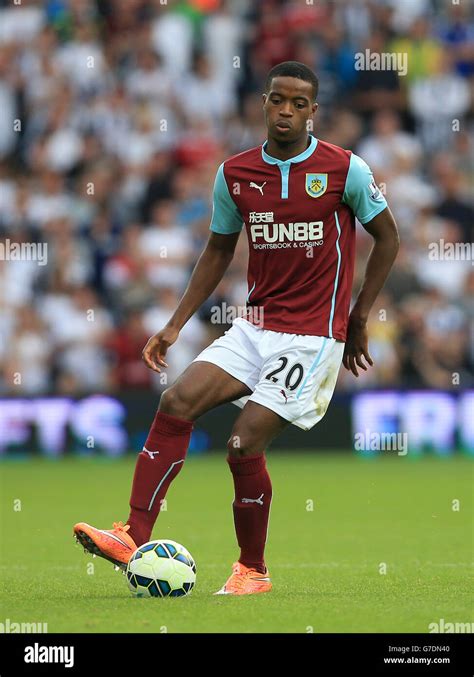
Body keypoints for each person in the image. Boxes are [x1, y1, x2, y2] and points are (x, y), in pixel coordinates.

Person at [74, 61, 400, 595]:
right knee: (176, 401)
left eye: (299, 103)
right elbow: (218, 249)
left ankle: (253, 569)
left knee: (242, 444)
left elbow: (388, 238)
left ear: (313, 111)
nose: (286, 111)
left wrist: (359, 317)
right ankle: (131, 534)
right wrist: (176, 324)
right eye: (278, 100)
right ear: (264, 103)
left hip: (314, 334)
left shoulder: (346, 170)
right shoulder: (235, 173)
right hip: (257, 326)